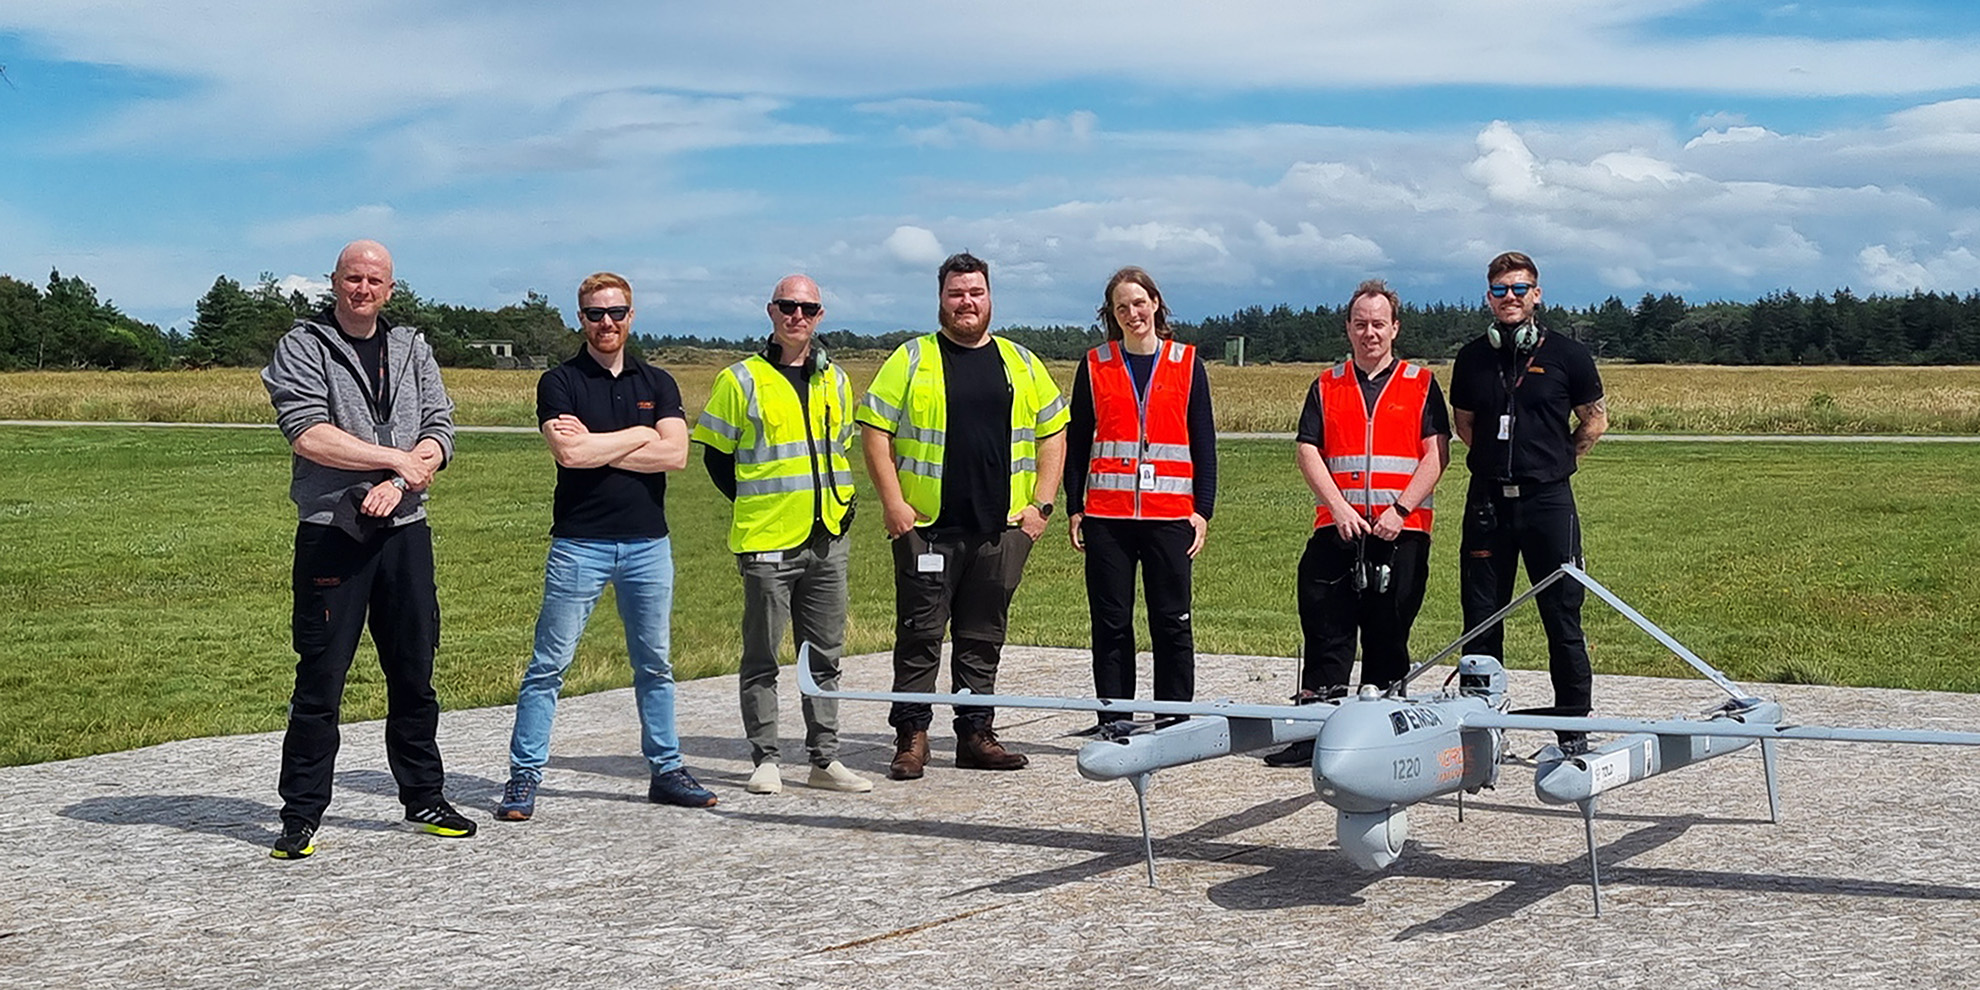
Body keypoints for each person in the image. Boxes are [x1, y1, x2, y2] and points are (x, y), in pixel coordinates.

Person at [260, 239, 474, 858]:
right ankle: (300, 815)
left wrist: (407, 476)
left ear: (390, 287)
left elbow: (440, 427)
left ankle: (424, 797)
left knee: (414, 671)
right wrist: (394, 461)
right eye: (352, 277)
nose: (363, 288)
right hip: (334, 530)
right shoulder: (302, 346)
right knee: (322, 679)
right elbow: (308, 434)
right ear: (334, 282)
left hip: (406, 530)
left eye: (374, 279)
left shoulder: (414, 348)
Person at [495, 272, 715, 820]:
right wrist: (642, 436)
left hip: (648, 545)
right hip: (580, 544)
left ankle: (666, 769)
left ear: (632, 316)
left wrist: (601, 444)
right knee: (549, 664)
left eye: (616, 313)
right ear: (581, 319)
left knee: (656, 664)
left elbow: (676, 457)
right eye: (596, 314)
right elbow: (569, 456)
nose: (607, 323)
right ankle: (524, 776)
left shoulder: (658, 381)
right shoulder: (560, 381)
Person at [856, 252, 1070, 780]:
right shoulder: (911, 359)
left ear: (990, 297)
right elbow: (874, 431)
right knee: (920, 636)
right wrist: (894, 505)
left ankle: (976, 734)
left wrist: (1041, 506)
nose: (966, 303)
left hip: (1000, 532)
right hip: (926, 530)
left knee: (982, 638)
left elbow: (1054, 432)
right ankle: (912, 737)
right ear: (941, 300)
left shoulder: (1021, 363)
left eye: (975, 293)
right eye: (956, 294)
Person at [691, 275, 872, 795]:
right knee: (763, 655)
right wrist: (759, 503)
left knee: (825, 655)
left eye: (808, 308)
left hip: (828, 536)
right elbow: (717, 458)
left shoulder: (834, 379)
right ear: (771, 311)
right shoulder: (740, 380)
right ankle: (766, 757)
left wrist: (839, 503)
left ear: (820, 315)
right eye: (789, 306)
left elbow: (838, 448)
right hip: (768, 540)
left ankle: (825, 758)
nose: (798, 316)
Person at [1264, 279, 1449, 767]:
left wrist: (1401, 510)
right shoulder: (1327, 384)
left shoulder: (1421, 382)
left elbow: (1436, 454)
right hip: (1339, 526)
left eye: (1379, 324)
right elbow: (1308, 449)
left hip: (1400, 530)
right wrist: (1340, 506)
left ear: (1395, 328)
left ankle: (1387, 736)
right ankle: (1314, 733)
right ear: (1348, 327)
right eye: (1361, 323)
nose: (1370, 333)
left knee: (1389, 635)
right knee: (1327, 631)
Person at [1448, 252, 1607, 754]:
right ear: (1489, 297)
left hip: (1548, 501)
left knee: (1562, 616)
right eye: (1500, 290)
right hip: (1489, 503)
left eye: (1519, 288)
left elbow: (1594, 421)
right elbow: (1465, 425)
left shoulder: (1569, 356)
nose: (1509, 297)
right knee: (1481, 617)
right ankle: (1480, 730)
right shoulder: (1473, 358)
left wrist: (1558, 460)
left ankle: (1572, 729)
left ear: (1537, 294)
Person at [1062, 267, 1217, 729]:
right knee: (1111, 623)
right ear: (1112, 314)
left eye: (1139, 303)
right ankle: (1114, 717)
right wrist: (1076, 506)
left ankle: (1174, 718)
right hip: (1107, 516)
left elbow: (1203, 442)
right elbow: (1079, 440)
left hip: (1170, 513)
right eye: (1122, 307)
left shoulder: (1187, 362)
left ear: (1156, 304)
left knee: (1172, 620)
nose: (1133, 313)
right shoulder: (1095, 365)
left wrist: (1202, 510)